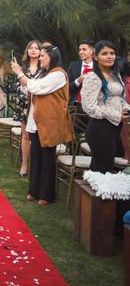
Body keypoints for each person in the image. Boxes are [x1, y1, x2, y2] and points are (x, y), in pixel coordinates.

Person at [11, 44, 73, 205]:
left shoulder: (58, 74)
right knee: (36, 155)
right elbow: (29, 87)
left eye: (42, 56)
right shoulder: (43, 73)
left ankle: (46, 194)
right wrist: (22, 75)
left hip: (49, 122)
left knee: (47, 158)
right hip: (36, 120)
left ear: (51, 57)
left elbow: (36, 88)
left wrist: (19, 73)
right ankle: (34, 191)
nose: (39, 59)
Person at [81, 41, 130, 173]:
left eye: (112, 53)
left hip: (115, 127)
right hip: (100, 129)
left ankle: (96, 193)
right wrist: (116, 115)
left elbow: (120, 98)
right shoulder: (92, 77)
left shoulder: (115, 75)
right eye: (104, 54)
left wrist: (126, 109)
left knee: (103, 168)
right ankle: (98, 193)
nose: (109, 56)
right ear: (95, 57)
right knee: (103, 170)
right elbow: (89, 106)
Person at [12, 40, 42, 179]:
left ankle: (37, 165)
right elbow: (17, 85)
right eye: (31, 48)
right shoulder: (22, 67)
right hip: (24, 103)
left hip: (40, 103)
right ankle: (24, 164)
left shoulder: (45, 67)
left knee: (39, 135)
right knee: (26, 135)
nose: (34, 50)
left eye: (36, 48)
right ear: (27, 50)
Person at [67, 39, 95, 112]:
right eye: (80, 50)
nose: (81, 52)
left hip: (95, 105)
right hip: (76, 105)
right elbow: (67, 87)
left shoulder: (99, 66)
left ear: (92, 51)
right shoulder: (73, 65)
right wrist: (78, 81)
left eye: (84, 49)